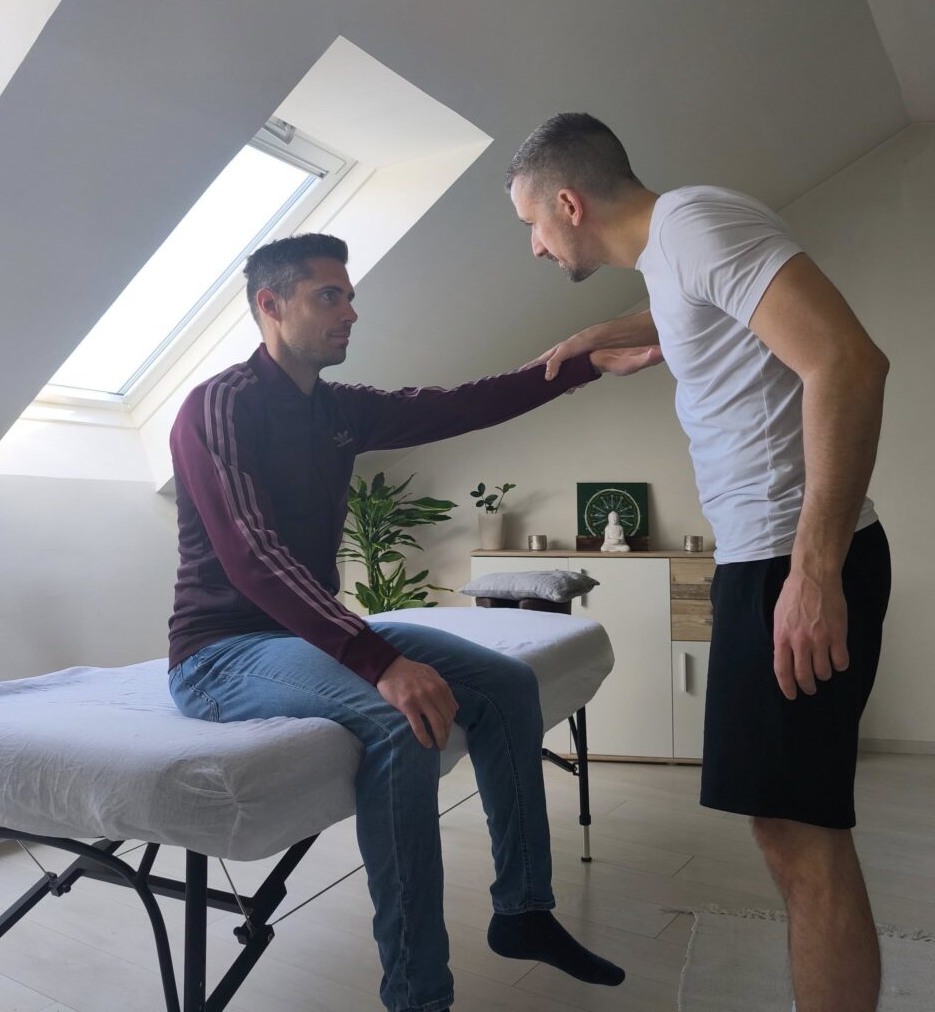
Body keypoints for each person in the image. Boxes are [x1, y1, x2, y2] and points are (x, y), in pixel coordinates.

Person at [167, 232, 661, 1012]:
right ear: (271, 304)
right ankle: (417, 993)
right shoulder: (218, 406)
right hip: (221, 655)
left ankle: (524, 913)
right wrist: (379, 662)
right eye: (330, 295)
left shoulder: (337, 409)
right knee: (399, 720)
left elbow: (459, 404)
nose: (351, 311)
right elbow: (252, 555)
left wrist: (582, 365)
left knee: (505, 684)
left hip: (304, 634)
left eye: (350, 295)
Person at [506, 113, 891, 1012]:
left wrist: (814, 573)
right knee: (788, 833)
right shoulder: (675, 249)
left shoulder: (696, 221)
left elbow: (850, 363)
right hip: (767, 559)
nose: (533, 245)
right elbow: (706, 300)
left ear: (570, 203)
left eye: (532, 222)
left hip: (793, 559)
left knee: (804, 840)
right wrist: (618, 333)